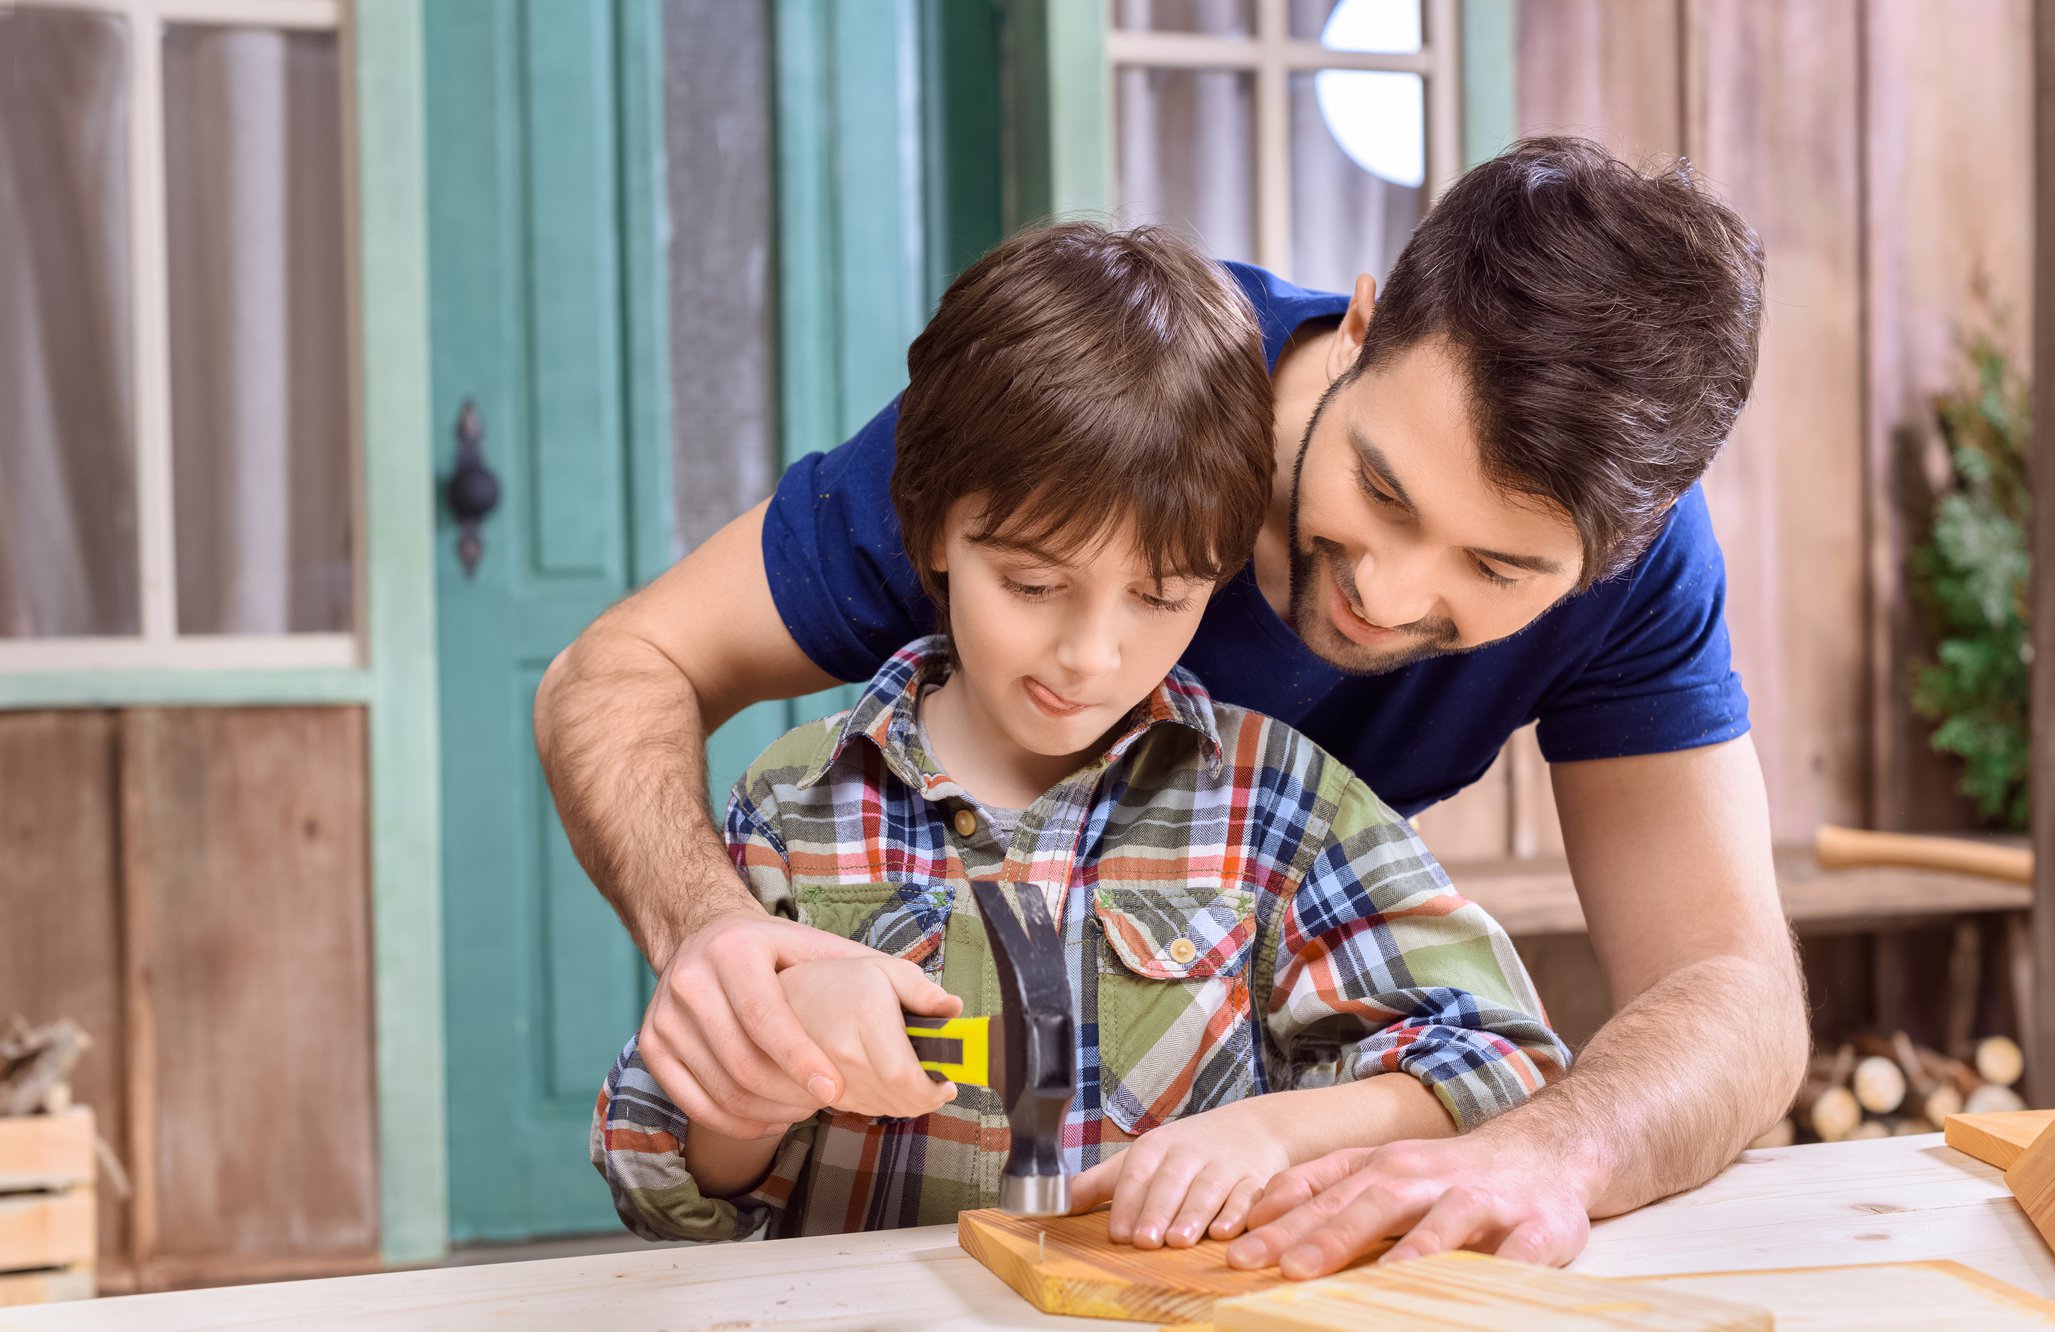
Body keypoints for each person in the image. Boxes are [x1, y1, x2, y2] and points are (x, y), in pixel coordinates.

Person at [539, 136, 1807, 1273]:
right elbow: (618, 669)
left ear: (1615, 555)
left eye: (1497, 570)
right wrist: (724, 950)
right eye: (1383, 490)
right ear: (1361, 327)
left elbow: (1732, 994)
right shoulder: (1106, 419)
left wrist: (1550, 1151)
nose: (1385, 590)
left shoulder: (1627, 576)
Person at [590, 223, 1567, 1246]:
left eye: (1159, 595)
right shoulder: (798, 804)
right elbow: (660, 1177)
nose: (1090, 656)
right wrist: (769, 1066)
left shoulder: (1281, 808)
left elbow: (1501, 1063)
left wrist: (1276, 1132)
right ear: (929, 533)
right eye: (1032, 585)